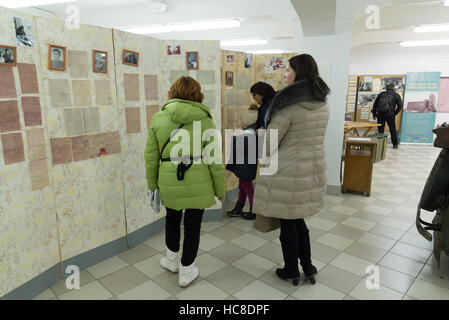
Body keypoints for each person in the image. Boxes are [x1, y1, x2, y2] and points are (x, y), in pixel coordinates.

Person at [253, 54, 331, 286]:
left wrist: (261, 139)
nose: (284, 74)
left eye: (288, 70)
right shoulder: (321, 103)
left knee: (288, 221)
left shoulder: (289, 105)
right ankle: (307, 266)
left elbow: (270, 143)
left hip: (288, 169)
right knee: (298, 220)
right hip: (312, 167)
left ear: (299, 73)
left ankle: (291, 270)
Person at [144, 76, 225, 288]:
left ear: (172, 92)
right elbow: (215, 158)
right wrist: (220, 189)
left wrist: (152, 185)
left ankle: (171, 261)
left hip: (169, 178)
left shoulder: (159, 117)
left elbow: (151, 156)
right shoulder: (206, 119)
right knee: (193, 226)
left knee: (171, 219)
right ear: (197, 94)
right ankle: (186, 271)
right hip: (199, 178)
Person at [226, 82, 276, 219]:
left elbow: (265, 129)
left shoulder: (267, 109)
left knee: (246, 183)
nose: (254, 98)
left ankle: (254, 210)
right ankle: (239, 206)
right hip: (249, 151)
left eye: (254, 95)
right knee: (243, 182)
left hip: (250, 151)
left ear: (261, 94)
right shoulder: (266, 107)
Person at [226, 104, 259, 220]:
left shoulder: (246, 136)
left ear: (247, 123)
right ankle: (238, 208)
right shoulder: (251, 134)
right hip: (245, 166)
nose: (241, 123)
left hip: (244, 166)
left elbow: (235, 149)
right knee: (243, 186)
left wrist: (235, 136)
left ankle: (254, 210)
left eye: (242, 122)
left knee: (248, 188)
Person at [371, 83, 403, 149]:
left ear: (386, 88)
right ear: (393, 88)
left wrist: (374, 114)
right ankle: (395, 145)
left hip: (380, 114)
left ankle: (380, 144)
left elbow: (375, 105)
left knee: (380, 130)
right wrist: (394, 113)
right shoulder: (396, 95)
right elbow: (400, 106)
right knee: (392, 129)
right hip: (390, 115)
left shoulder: (381, 94)